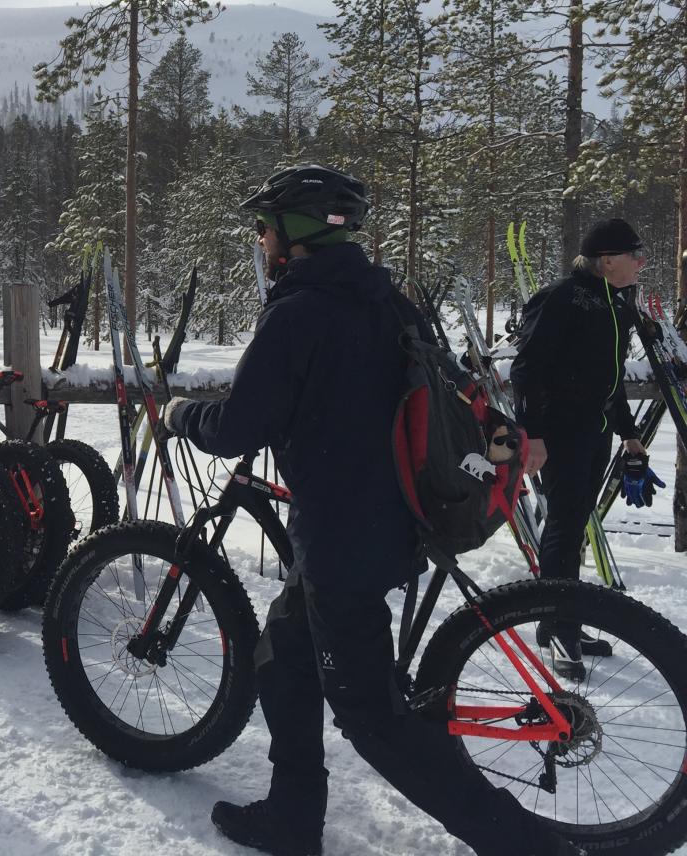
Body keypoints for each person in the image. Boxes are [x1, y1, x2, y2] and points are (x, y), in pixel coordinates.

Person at [161, 166, 580, 856]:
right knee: (282, 657)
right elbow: (450, 382)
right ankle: (294, 820)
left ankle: (525, 847)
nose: (261, 239)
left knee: (372, 718)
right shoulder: (388, 298)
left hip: (342, 538)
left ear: (292, 235)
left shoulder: (297, 312)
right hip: (395, 520)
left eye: (264, 227)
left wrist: (182, 415)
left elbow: (240, 427)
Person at [510, 217, 646, 678]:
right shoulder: (563, 298)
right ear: (607, 260)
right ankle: (558, 626)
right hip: (561, 434)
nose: (641, 261)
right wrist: (534, 434)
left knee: (574, 525)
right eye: (634, 253)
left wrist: (628, 432)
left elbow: (611, 380)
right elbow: (526, 369)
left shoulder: (615, 304)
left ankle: (562, 618)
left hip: (597, 432)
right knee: (564, 529)